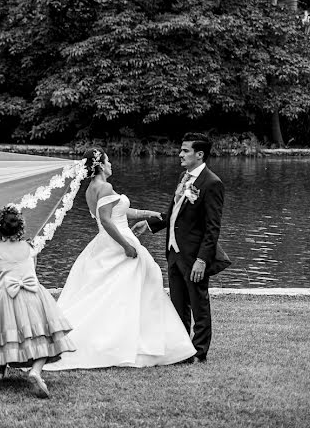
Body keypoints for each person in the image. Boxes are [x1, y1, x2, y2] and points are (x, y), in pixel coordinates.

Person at [44, 148, 196, 371]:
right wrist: (126, 245)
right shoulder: (104, 187)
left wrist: (149, 214)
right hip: (117, 242)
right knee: (132, 287)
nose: (111, 165)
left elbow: (121, 211)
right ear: (101, 165)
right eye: (108, 161)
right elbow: (106, 220)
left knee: (127, 286)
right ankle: (133, 340)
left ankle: (136, 337)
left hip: (107, 242)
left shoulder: (92, 189)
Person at [0, 206, 76, 398]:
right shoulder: (29, 247)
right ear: (21, 228)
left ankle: (1, 371)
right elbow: (32, 272)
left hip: (6, 297)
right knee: (41, 336)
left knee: (5, 334)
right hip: (33, 295)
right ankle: (35, 370)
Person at [133, 133, 230, 364]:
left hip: (194, 256)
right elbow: (174, 214)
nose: (180, 154)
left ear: (200, 154)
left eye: (185, 151)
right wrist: (149, 224)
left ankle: (199, 352)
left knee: (199, 304)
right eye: (181, 150)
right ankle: (182, 351)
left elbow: (212, 228)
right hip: (174, 253)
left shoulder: (212, 183)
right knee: (178, 305)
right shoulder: (183, 177)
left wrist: (202, 260)